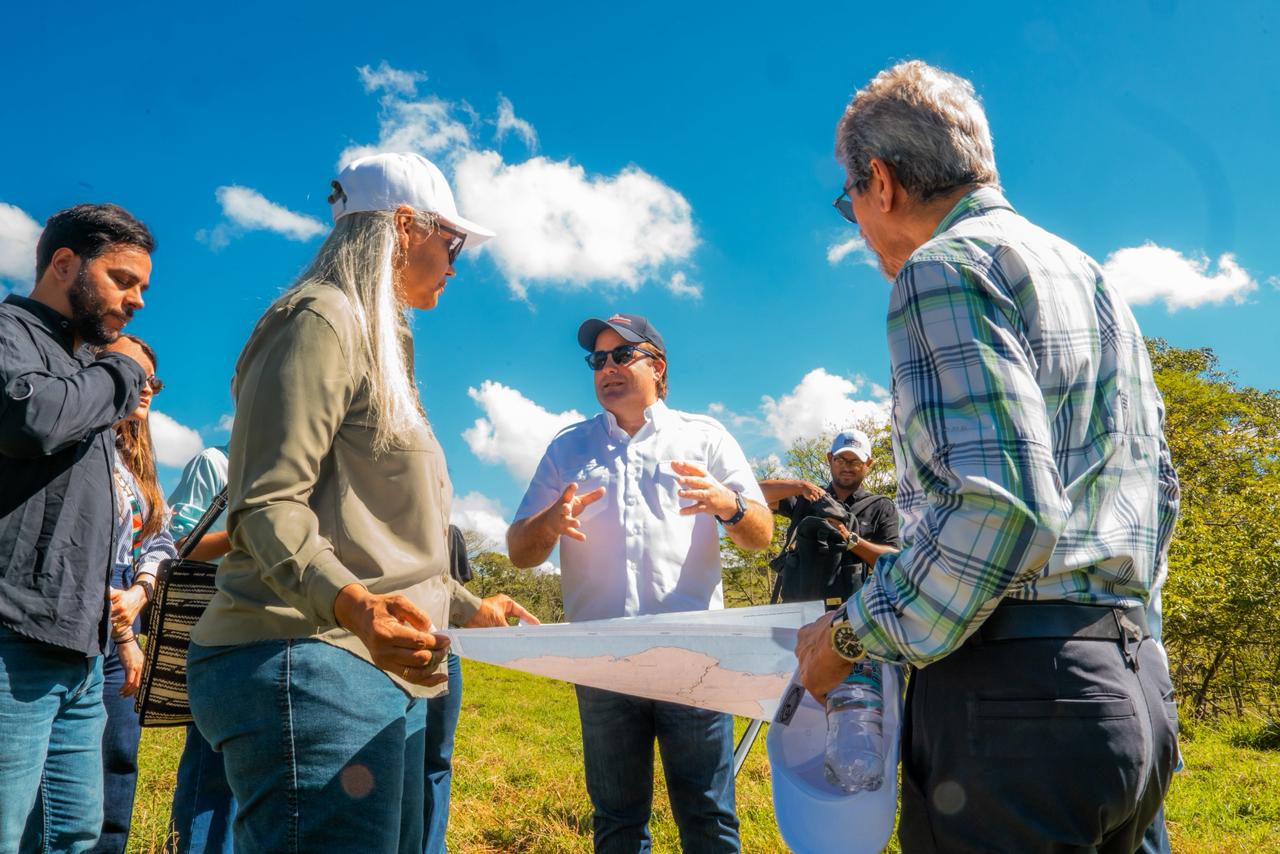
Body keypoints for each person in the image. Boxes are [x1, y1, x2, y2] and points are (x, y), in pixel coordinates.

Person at [794, 61, 1180, 853]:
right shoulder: (1095, 278)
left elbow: (1000, 506)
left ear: (882, 181)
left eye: (850, 203)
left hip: (1013, 710)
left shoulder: (943, 268)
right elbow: (1159, 492)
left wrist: (849, 635)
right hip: (1132, 688)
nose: (859, 225)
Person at [186, 152, 537, 854]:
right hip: (309, 658)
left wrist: (471, 608)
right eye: (453, 242)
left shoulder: (381, 342)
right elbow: (264, 506)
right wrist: (357, 607)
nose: (455, 263)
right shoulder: (321, 319)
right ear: (405, 227)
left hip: (371, 666)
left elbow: (375, 534)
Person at [508, 313, 774, 853]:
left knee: (708, 817)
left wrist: (730, 505)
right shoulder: (567, 449)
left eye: (620, 355)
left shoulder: (706, 437)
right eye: (596, 360)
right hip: (602, 661)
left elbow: (761, 535)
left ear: (658, 366)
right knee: (617, 820)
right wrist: (549, 523)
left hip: (694, 657)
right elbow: (519, 552)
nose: (605, 368)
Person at [0, 204, 155, 853]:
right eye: (123, 279)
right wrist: (123, 370)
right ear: (64, 264)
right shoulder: (11, 332)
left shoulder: (83, 364)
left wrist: (117, 632)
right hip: (15, 642)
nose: (137, 300)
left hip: (82, 657)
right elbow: (28, 420)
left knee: (75, 835)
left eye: (143, 287)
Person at [94, 334, 179, 854]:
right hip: (97, 625)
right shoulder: (85, 444)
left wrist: (143, 590)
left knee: (121, 758)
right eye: (136, 373)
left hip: (126, 617)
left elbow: (160, 536)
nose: (147, 387)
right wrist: (126, 633)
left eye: (155, 380)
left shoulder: (136, 459)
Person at [164, 443, 234, 854]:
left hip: (283, 634)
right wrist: (246, 531)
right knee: (213, 766)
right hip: (222, 630)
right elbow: (176, 543)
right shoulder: (216, 462)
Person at [758, 429, 899, 604]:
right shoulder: (807, 496)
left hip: (851, 614)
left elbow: (894, 560)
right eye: (840, 460)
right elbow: (751, 494)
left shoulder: (880, 506)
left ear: (868, 463)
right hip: (799, 609)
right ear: (829, 459)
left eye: (855, 461)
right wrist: (800, 485)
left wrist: (850, 540)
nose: (847, 467)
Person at [423, 524, 472, 854]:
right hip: (394, 644)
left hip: (447, 647)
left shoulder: (451, 532)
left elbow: (455, 590)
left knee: (438, 756)